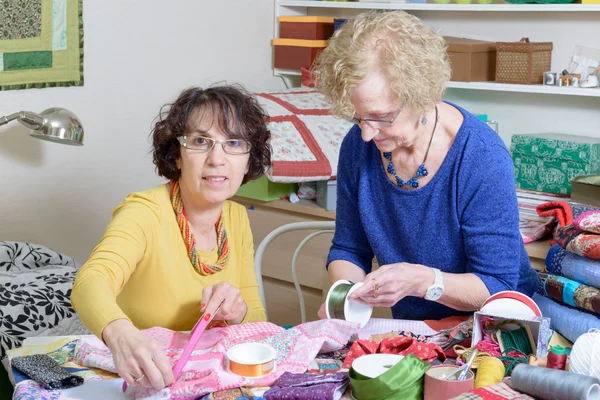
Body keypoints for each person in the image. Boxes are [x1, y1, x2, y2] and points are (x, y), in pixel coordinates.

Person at [314, 11, 540, 322]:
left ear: (422, 94)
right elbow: (349, 248)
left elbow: (495, 287)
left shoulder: (481, 157)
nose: (366, 133)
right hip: (418, 329)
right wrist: (344, 299)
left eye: (382, 117)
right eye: (357, 118)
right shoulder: (358, 145)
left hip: (499, 328)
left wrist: (421, 281)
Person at [71, 84, 271, 390]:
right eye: (201, 141)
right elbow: (91, 280)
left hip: (197, 377)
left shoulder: (236, 217)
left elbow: (257, 320)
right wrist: (120, 333)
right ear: (176, 155)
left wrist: (237, 310)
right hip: (136, 374)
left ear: (248, 159)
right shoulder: (144, 211)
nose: (217, 159)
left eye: (233, 143)